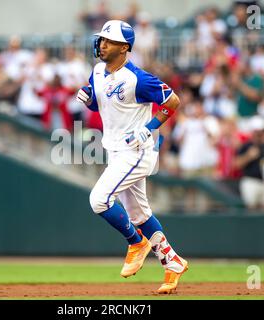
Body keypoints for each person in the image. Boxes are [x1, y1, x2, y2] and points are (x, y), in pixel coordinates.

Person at [76, 20, 188, 294]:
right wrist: (89, 97)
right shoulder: (98, 71)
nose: (101, 44)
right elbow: (97, 98)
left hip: (137, 151)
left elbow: (172, 101)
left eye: (108, 40)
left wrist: (149, 128)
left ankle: (136, 243)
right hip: (115, 150)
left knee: (99, 200)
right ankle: (172, 263)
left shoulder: (137, 78)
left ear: (125, 47)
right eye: (101, 39)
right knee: (139, 214)